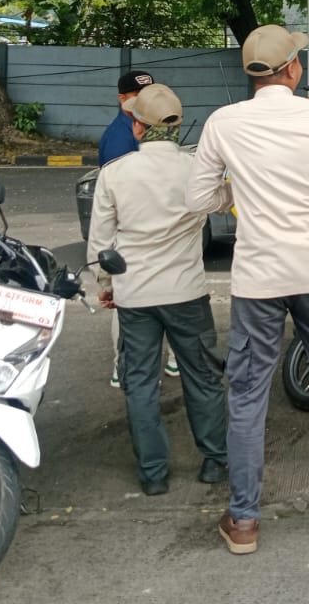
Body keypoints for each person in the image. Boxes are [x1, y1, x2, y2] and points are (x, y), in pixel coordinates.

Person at [186, 24, 309, 555]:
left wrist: (237, 196)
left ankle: (244, 520)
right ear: (293, 69)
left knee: (248, 394)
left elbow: (197, 198)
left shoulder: (224, 122)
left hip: (258, 278)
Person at [87, 83, 230, 495]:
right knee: (202, 378)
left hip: (135, 296)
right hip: (187, 293)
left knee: (140, 385)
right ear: (177, 126)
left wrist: (106, 285)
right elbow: (225, 200)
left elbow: (100, 244)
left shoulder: (115, 174)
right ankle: (214, 461)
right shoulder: (195, 170)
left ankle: (153, 474)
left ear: (137, 127)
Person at [97, 69, 178, 385]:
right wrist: (105, 280)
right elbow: (115, 202)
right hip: (132, 235)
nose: (147, 99)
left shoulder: (150, 125)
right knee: (128, 305)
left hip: (156, 231)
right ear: (122, 99)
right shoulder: (119, 138)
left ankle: (172, 360)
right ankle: (123, 365)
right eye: (137, 95)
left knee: (164, 297)